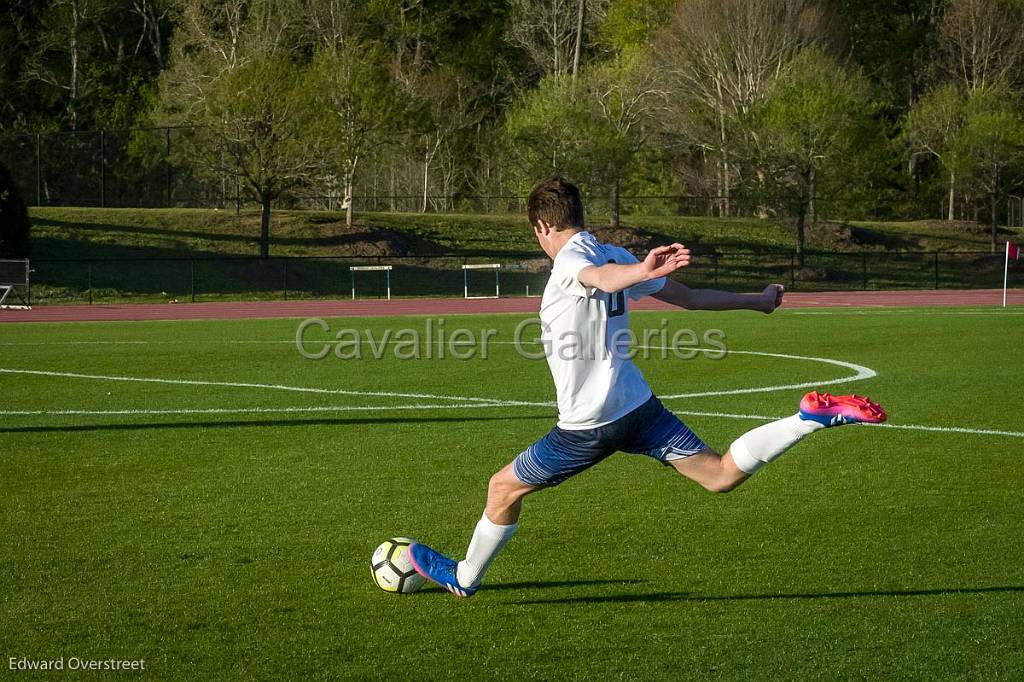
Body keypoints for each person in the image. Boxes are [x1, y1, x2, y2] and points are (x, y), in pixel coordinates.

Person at [408, 176, 885, 597]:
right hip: (639, 409)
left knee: (502, 488)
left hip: (587, 427)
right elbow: (690, 297)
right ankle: (807, 420)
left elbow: (599, 278)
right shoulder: (608, 249)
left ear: (541, 227)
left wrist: (640, 271)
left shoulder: (577, 259)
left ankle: (465, 577)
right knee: (718, 475)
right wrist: (755, 301)